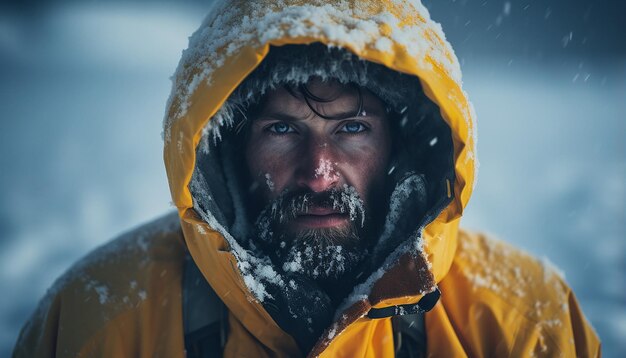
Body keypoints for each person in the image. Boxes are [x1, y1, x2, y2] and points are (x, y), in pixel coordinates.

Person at [14, 0, 601, 357]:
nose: (319, 174)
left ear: (401, 147)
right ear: (226, 149)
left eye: (351, 129)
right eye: (282, 130)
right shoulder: (97, 322)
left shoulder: (526, 323)